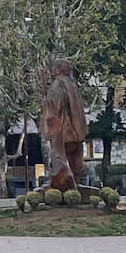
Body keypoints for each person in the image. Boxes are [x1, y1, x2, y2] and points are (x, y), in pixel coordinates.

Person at [40, 58, 88, 191]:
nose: (52, 70)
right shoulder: (73, 84)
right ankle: (75, 184)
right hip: (76, 132)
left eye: (55, 67)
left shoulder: (58, 84)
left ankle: (61, 185)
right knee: (75, 159)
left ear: (60, 69)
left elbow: (55, 107)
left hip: (63, 131)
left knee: (59, 157)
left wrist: (45, 102)